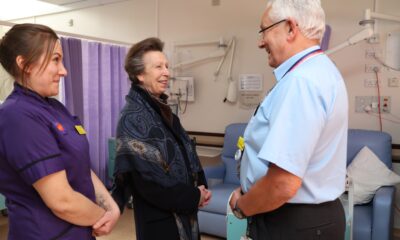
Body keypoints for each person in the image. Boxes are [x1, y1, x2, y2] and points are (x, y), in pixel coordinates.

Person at [229, 0, 348, 239]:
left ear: (291, 28)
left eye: (264, 31)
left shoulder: (300, 82)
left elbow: (282, 184)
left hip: (291, 221)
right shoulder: (322, 70)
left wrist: (242, 207)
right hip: (313, 219)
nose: (260, 42)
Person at [0, 23, 120, 239]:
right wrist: (101, 216)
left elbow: (80, 164)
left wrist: (112, 208)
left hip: (79, 230)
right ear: (25, 64)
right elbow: (62, 201)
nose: (64, 70)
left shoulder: (54, 108)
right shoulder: (17, 116)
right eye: (56, 59)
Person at [112, 37, 212, 240]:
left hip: (184, 211)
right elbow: (149, 184)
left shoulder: (164, 111)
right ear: (139, 74)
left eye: (166, 66)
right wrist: (194, 195)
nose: (167, 72)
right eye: (158, 67)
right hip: (160, 222)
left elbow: (186, 151)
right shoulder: (133, 118)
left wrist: (201, 188)